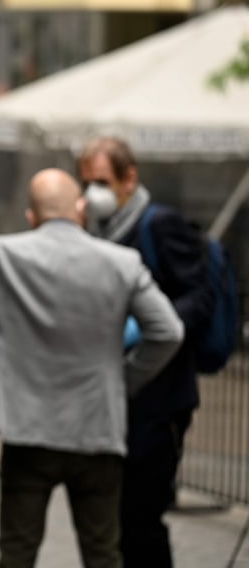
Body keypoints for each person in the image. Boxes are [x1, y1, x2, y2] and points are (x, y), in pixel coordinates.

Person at [0, 168, 183, 568]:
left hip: (28, 428)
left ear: (31, 216)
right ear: (80, 209)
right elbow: (167, 331)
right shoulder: (123, 262)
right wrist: (123, 379)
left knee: (17, 551)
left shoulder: (5, 253)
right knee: (102, 553)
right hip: (98, 426)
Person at [78, 136, 215, 568]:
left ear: (128, 177)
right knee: (112, 521)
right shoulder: (97, 230)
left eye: (101, 180)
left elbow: (200, 295)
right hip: (115, 397)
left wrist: (147, 325)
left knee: (141, 519)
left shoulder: (158, 225)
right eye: (86, 183)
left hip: (158, 401)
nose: (92, 193)